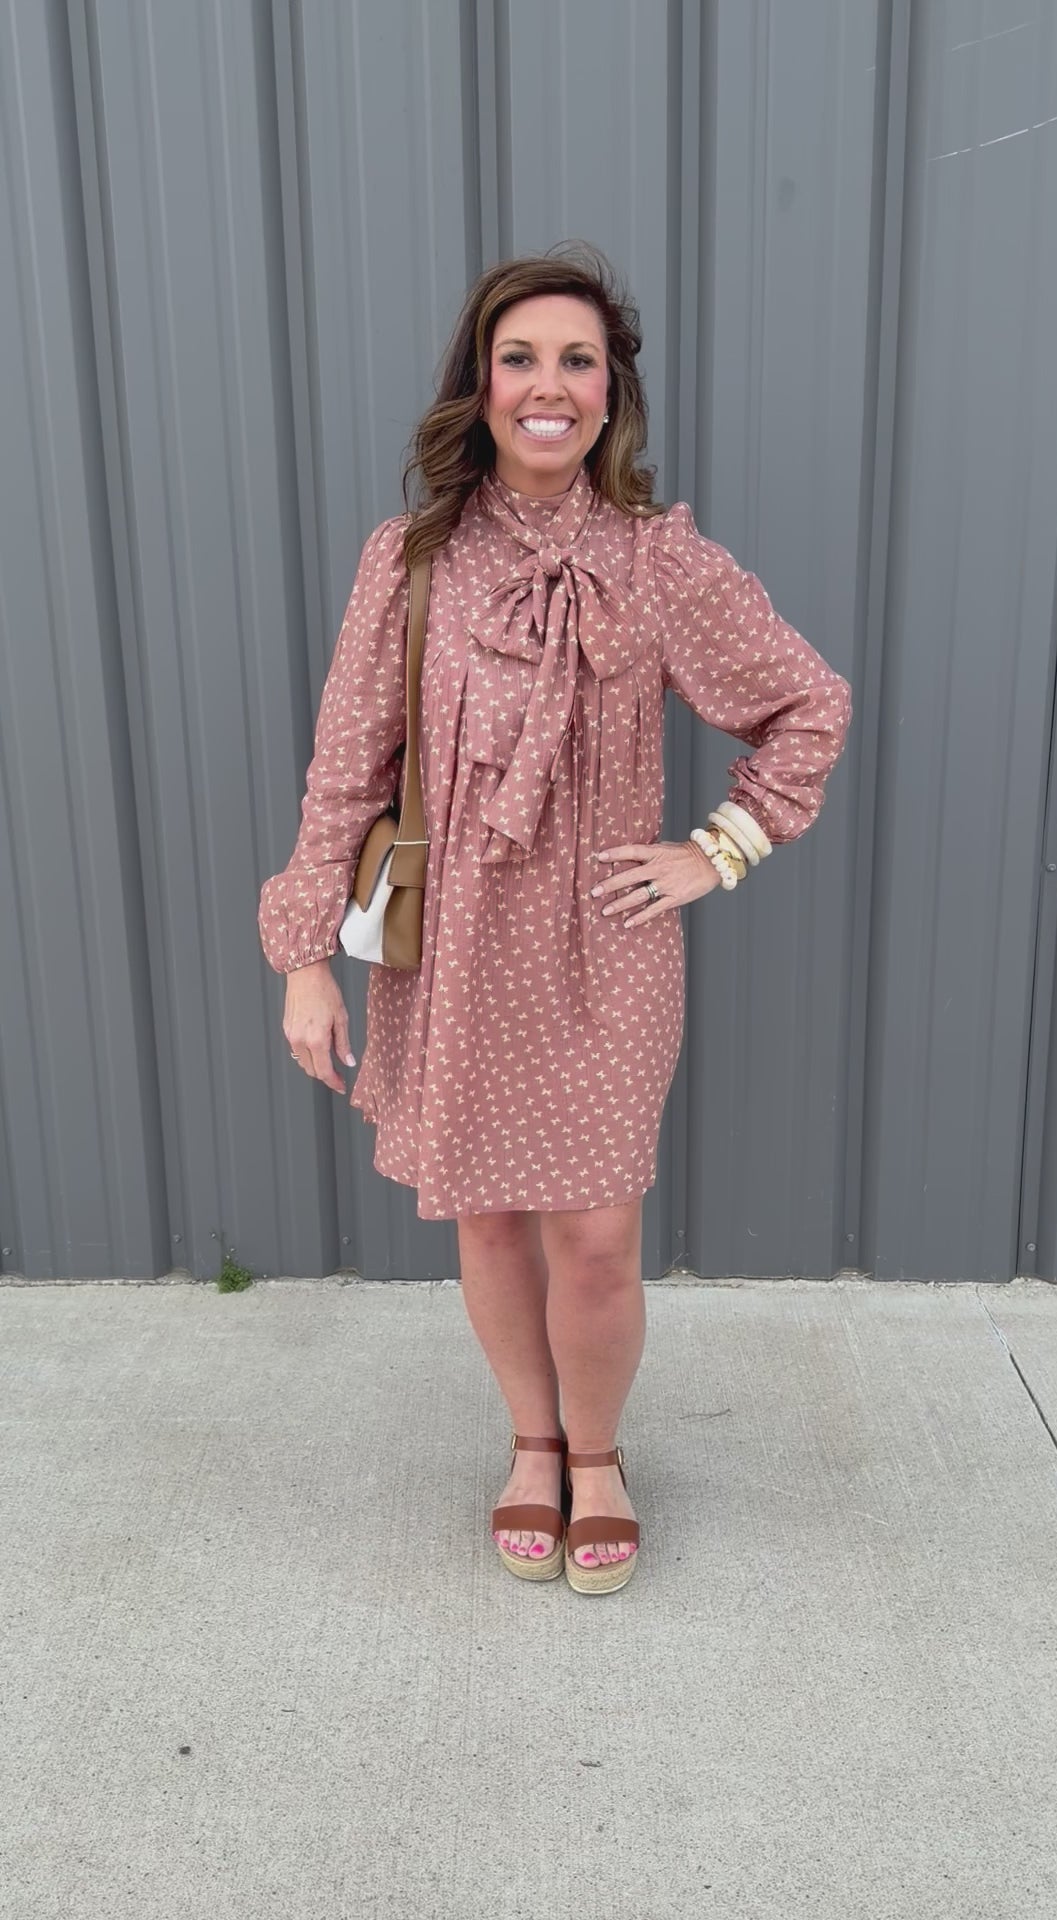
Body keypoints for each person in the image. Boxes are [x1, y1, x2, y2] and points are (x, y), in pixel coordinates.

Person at [258, 243, 852, 1596]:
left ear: (609, 393)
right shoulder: (408, 561)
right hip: (459, 945)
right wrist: (304, 958)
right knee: (487, 1223)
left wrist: (720, 849)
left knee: (594, 1236)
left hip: (608, 948)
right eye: (518, 357)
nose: (548, 384)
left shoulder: (659, 562)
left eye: (576, 360)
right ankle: (532, 1445)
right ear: (479, 384)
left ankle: (600, 1456)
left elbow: (806, 703)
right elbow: (346, 769)